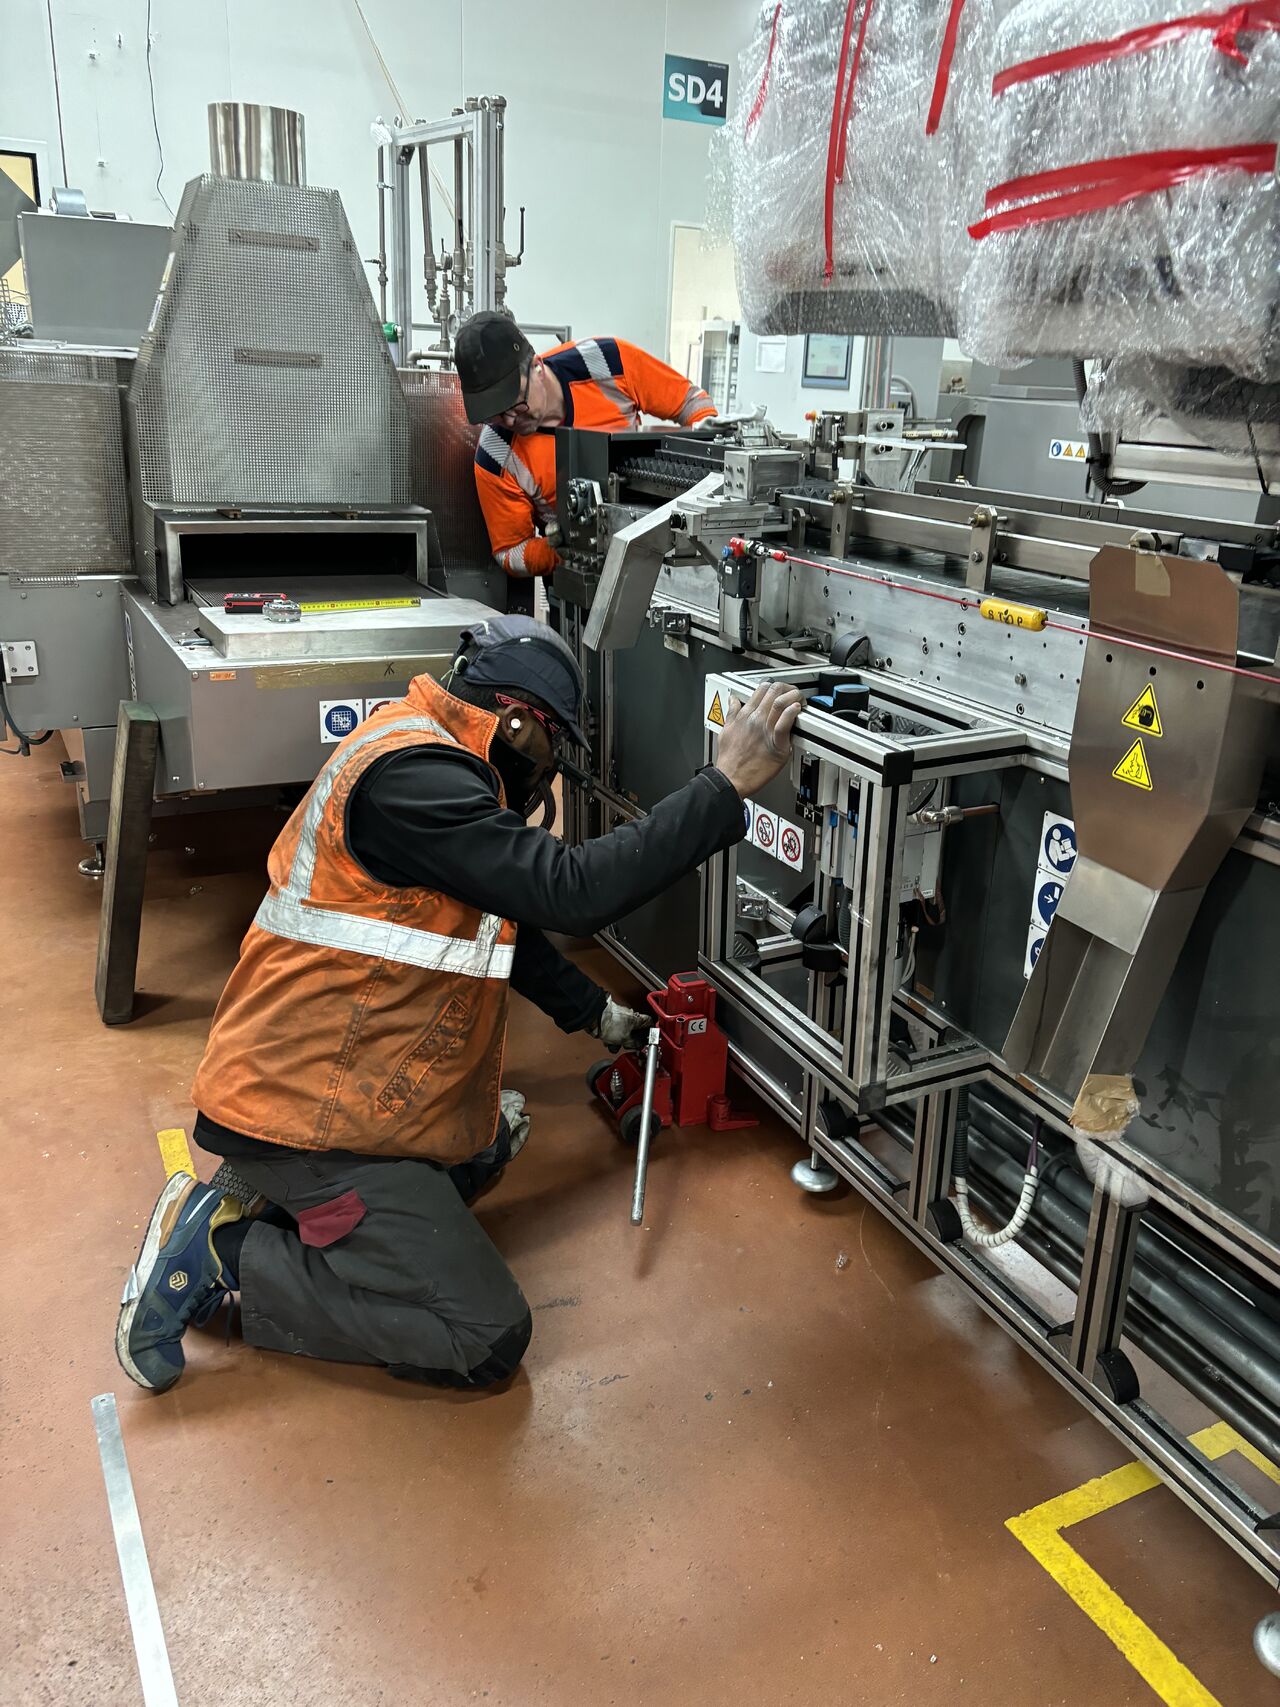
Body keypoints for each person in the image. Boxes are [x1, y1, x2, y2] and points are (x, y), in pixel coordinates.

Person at [116, 615, 802, 1396]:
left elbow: (499, 920)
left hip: (329, 1080)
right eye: (544, 750)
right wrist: (722, 786)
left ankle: (279, 1204)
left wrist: (595, 1014)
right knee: (485, 1335)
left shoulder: (430, 757)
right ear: (512, 720)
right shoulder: (416, 779)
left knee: (480, 1148)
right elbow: (568, 892)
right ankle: (228, 1251)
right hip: (308, 1107)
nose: (540, 777)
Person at [457, 313, 716, 608]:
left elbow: (690, 402)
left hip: (667, 560)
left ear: (536, 367)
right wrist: (565, 549)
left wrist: (710, 436)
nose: (510, 419)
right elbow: (511, 551)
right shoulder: (496, 453)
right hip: (578, 592)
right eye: (496, 414)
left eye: (515, 403)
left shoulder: (605, 362)